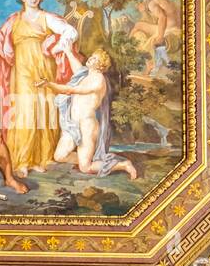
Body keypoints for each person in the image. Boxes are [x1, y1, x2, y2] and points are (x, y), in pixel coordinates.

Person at [0, 0, 77, 174]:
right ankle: (22, 160)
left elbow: (70, 32)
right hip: (22, 71)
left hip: (44, 68)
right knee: (25, 111)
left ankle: (42, 158)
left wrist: (57, 47)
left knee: (45, 109)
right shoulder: (14, 20)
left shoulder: (47, 18)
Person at [36, 48, 138, 179]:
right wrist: (67, 51)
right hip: (73, 125)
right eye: (92, 56)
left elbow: (70, 89)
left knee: (85, 168)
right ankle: (88, 159)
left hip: (87, 126)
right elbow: (77, 67)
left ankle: (123, 165)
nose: (91, 58)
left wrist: (49, 84)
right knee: (59, 156)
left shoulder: (98, 80)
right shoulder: (85, 75)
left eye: (95, 59)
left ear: (101, 66)